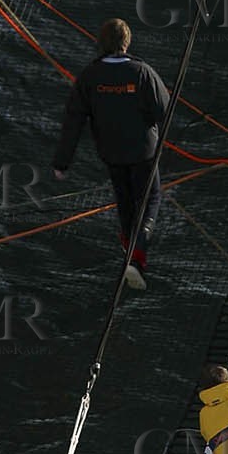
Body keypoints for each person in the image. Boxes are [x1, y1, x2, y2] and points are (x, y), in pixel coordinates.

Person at [52, 18, 169, 291]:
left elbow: (73, 122)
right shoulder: (142, 72)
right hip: (143, 152)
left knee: (125, 201)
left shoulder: (89, 77)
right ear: (127, 42)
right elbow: (163, 109)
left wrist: (62, 163)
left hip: (111, 153)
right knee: (150, 198)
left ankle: (129, 248)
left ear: (100, 44)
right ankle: (137, 256)